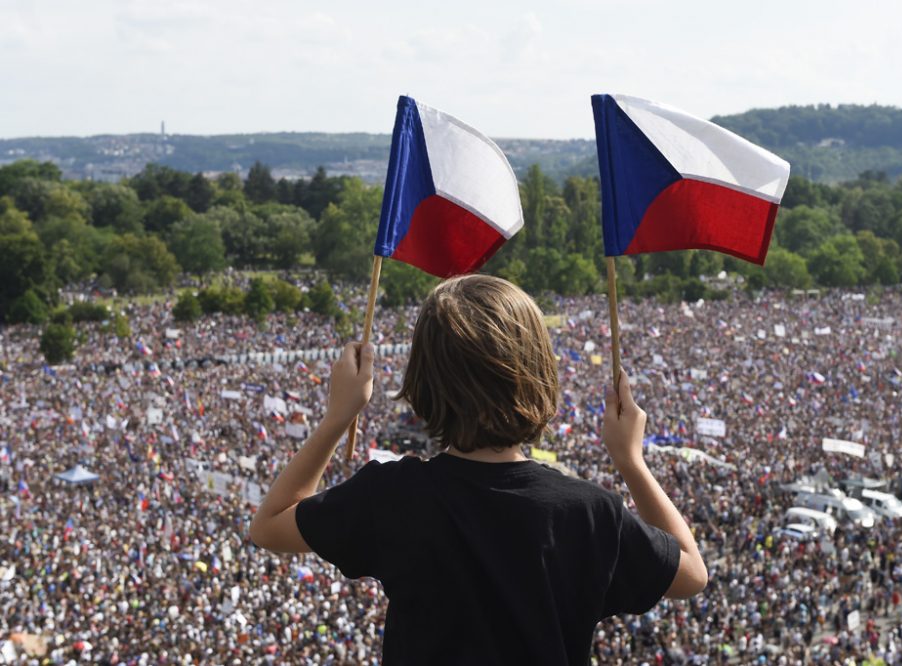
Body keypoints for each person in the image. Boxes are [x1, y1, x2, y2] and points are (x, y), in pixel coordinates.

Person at [249, 274, 708, 665]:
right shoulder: (589, 511)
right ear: (538, 373)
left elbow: (269, 526)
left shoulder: (392, 495)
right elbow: (691, 575)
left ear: (423, 382)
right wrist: (632, 462)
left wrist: (338, 417)